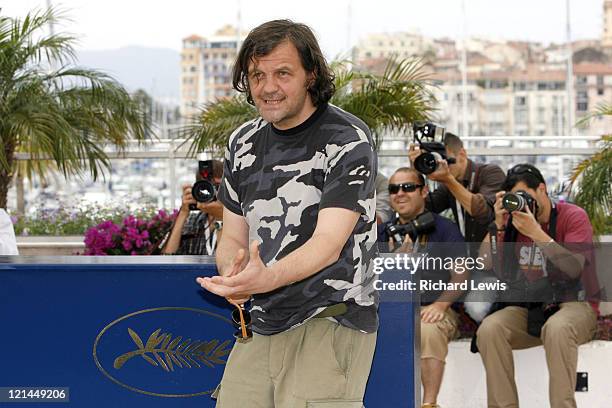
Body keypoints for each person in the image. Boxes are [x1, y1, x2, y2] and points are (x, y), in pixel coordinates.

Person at [196, 19, 378, 407]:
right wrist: (235, 276)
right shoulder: (242, 142)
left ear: (311, 74)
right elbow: (232, 237)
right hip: (260, 325)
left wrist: (263, 280)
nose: (268, 87)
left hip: (330, 319)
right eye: (256, 75)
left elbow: (328, 244)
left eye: (282, 73)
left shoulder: (347, 139)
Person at [476, 163, 599, 408]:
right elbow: (484, 263)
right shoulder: (512, 223)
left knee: (558, 328)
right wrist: (498, 224)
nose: (523, 204)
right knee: (490, 330)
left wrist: (537, 233)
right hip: (532, 305)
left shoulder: (572, 216)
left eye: (526, 196)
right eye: (516, 198)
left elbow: (574, 268)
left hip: (574, 303)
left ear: (542, 189)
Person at [378, 167, 466, 408]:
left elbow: (462, 272)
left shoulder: (445, 228)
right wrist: (394, 263)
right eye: (394, 189)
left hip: (435, 310)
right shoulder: (384, 232)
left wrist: (441, 304)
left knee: (426, 330)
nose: (400, 194)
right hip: (392, 310)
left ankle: (429, 404)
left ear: (424, 191)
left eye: (408, 187)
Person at [408, 132, 505, 244]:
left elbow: (483, 212)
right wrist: (415, 170)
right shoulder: (448, 183)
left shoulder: (490, 172)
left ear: (462, 154)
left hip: (494, 252)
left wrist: (448, 180)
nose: (443, 165)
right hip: (465, 255)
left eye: (446, 159)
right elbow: (422, 207)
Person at [162, 160, 224, 255]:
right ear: (197, 189)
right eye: (207, 188)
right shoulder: (192, 222)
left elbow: (228, 261)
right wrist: (183, 212)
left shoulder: (238, 222)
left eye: (218, 187)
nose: (214, 193)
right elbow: (168, 257)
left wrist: (221, 217)